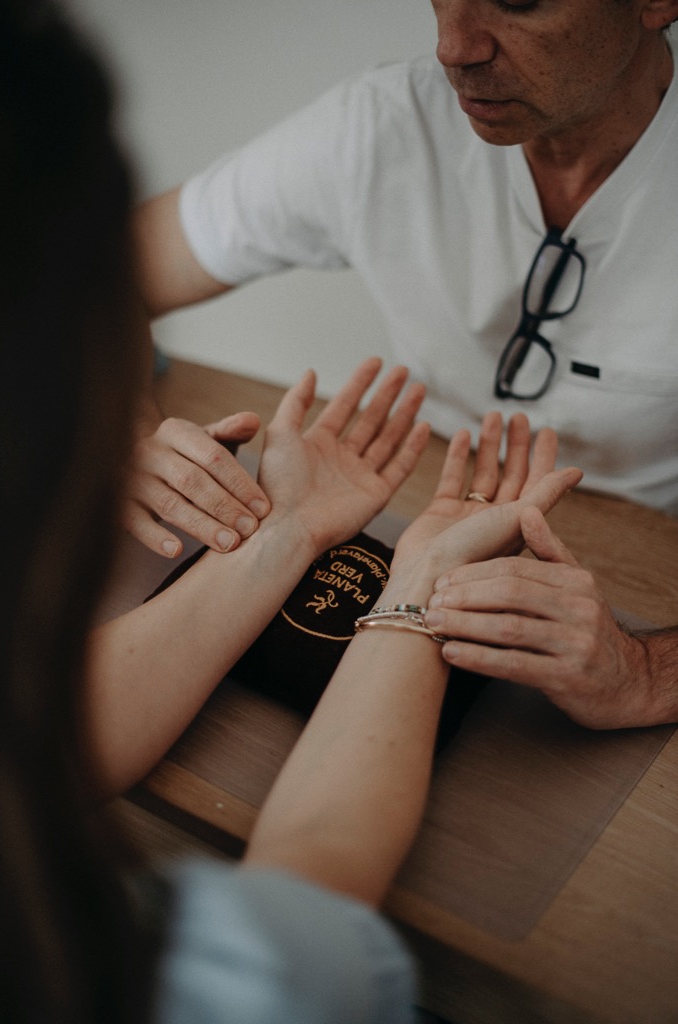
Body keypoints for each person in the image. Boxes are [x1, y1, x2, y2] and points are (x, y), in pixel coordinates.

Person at [0, 2, 580, 1021]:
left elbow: (48, 745)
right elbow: (311, 875)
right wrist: (419, 582)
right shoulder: (220, 983)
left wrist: (280, 540)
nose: (455, 45)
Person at [125, 0, 678, 731]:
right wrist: (121, 428)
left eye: (517, 0)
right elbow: (89, 281)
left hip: (645, 564)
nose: (453, 47)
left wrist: (646, 672)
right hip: (404, 495)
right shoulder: (383, 126)